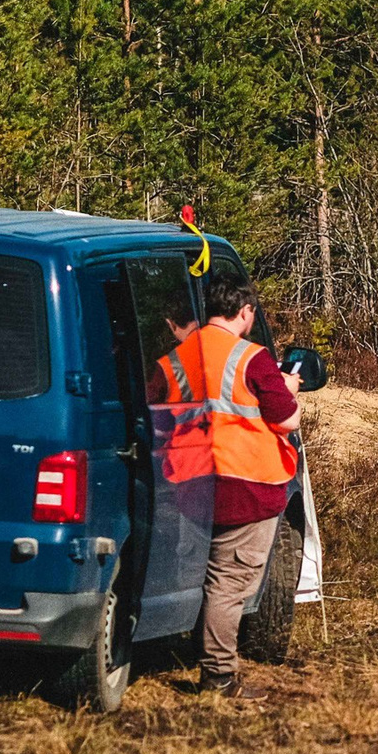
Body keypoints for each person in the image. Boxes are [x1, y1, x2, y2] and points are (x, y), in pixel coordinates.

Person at [159, 275, 300, 697]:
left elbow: (161, 415)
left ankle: (195, 651)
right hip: (248, 484)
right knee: (229, 582)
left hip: (190, 483)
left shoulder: (174, 359)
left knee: (202, 574)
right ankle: (219, 675)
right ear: (245, 313)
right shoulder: (253, 359)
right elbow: (286, 419)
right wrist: (288, 388)